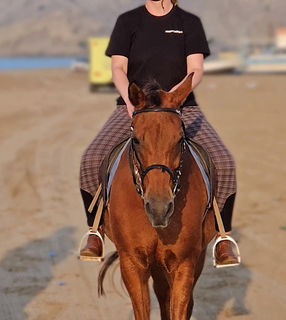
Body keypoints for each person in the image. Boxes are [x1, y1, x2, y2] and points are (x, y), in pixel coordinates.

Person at [79, 0, 240, 266]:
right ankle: (95, 230)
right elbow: (118, 68)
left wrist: (172, 97)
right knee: (91, 157)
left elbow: (195, 70)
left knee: (223, 161)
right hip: (135, 108)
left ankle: (224, 236)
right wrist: (131, 103)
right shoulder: (128, 22)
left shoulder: (188, 23)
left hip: (180, 106)